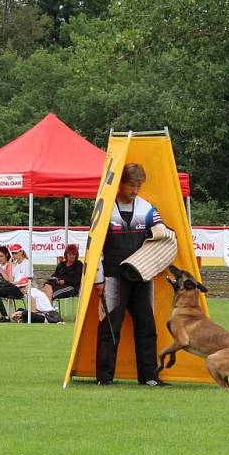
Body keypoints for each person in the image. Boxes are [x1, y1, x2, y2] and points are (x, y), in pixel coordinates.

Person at [93, 163, 168, 387]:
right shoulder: (105, 209)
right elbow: (95, 247)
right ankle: (104, 377)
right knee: (110, 326)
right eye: (131, 185)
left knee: (147, 325)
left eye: (138, 186)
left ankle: (149, 377)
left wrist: (157, 264)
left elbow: (162, 239)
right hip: (113, 277)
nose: (135, 190)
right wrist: (98, 278)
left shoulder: (148, 209)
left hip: (142, 277)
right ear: (121, 184)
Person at [0, 243, 31, 323]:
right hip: (13, 285)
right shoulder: (15, 264)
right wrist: (11, 264)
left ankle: (5, 316)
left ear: (21, 252)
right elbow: (10, 279)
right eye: (12, 253)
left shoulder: (27, 263)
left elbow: (27, 279)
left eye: (15, 253)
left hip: (21, 288)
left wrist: (14, 283)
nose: (13, 255)